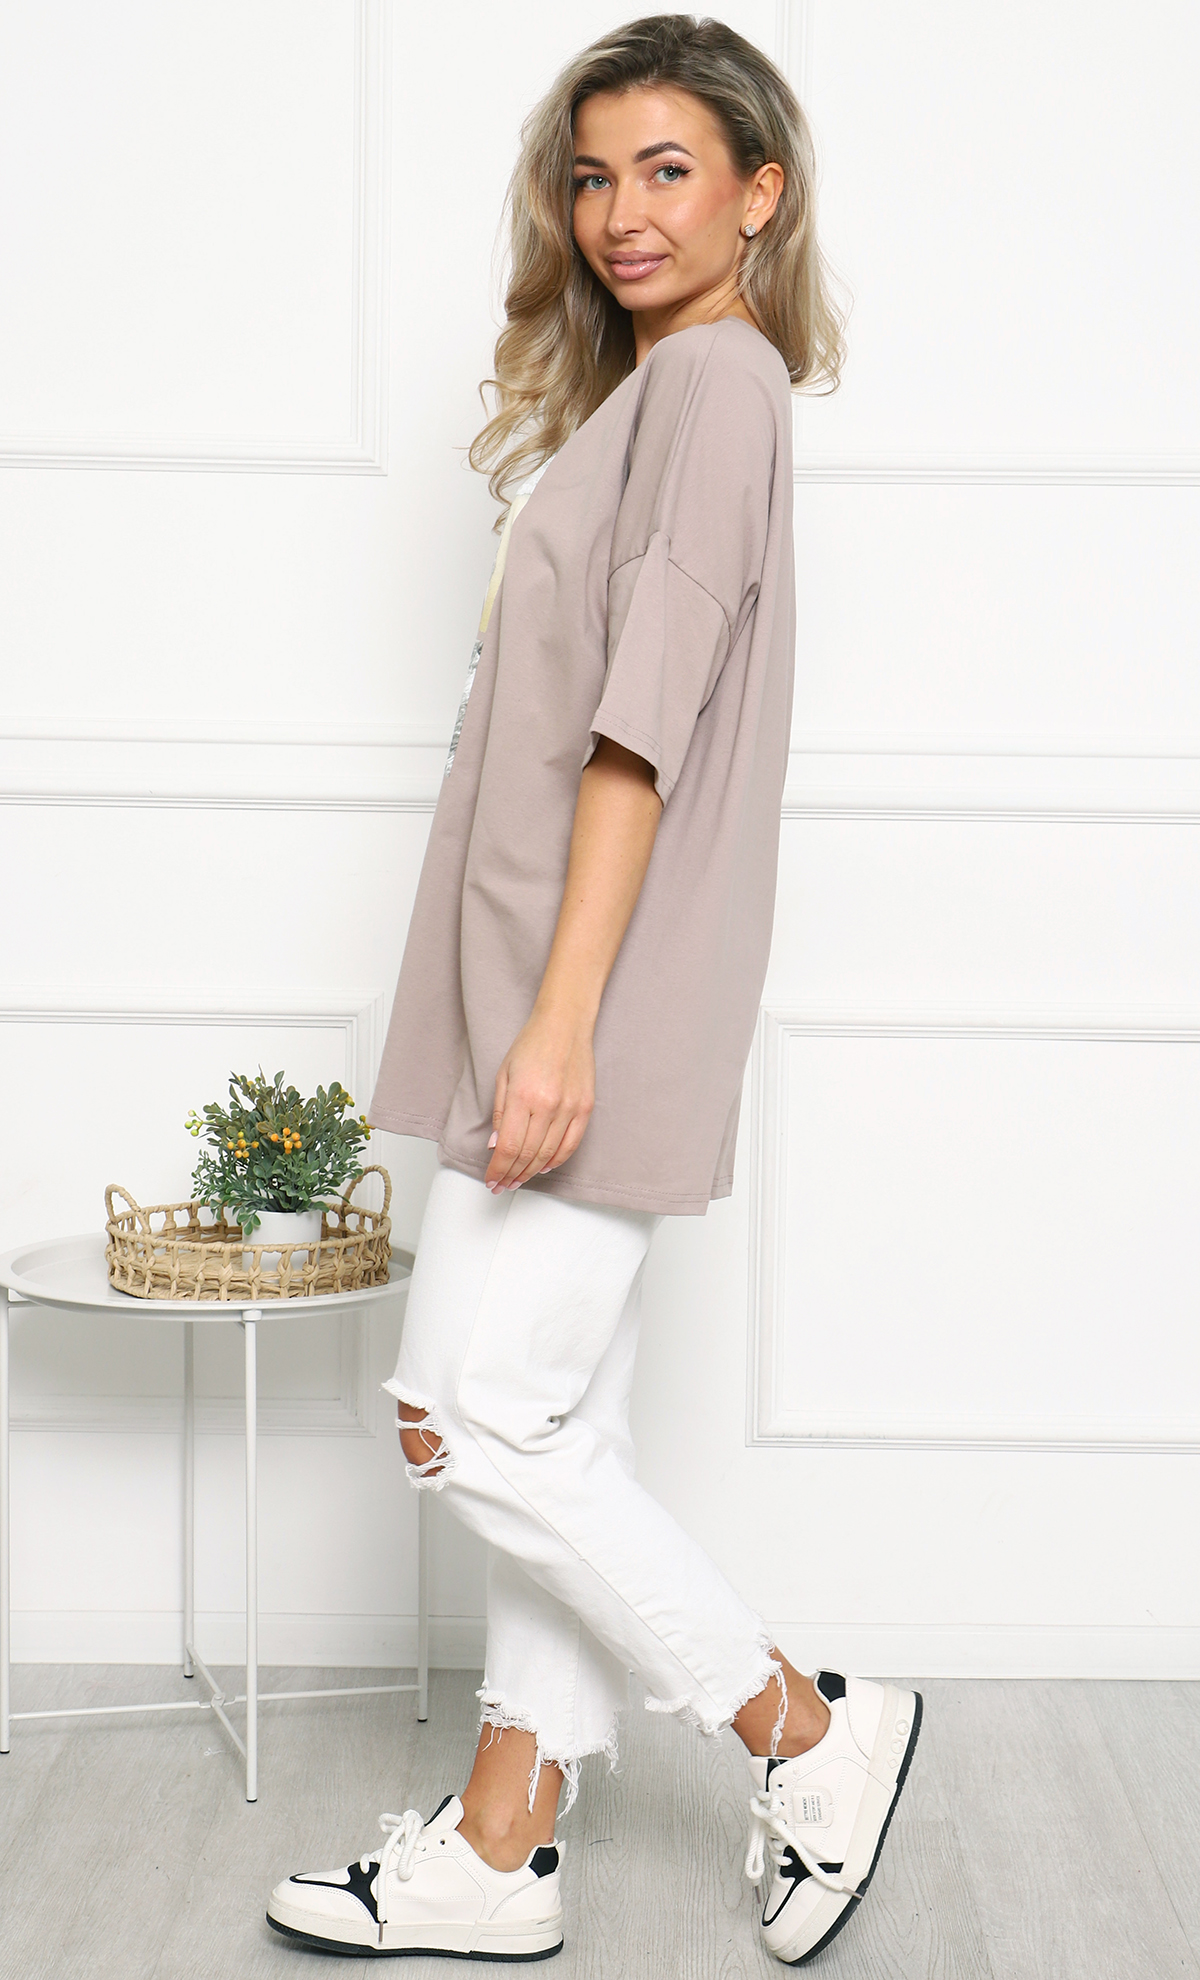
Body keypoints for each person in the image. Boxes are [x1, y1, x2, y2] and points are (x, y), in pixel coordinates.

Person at [266, 14, 920, 1968]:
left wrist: (559, 1025)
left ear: (760, 196)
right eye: (592, 175)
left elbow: (638, 730)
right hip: (543, 979)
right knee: (535, 1417)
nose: (623, 211)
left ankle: (805, 1732)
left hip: (589, 992)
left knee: (466, 1417)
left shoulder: (718, 384)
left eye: (669, 170)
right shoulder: (651, 397)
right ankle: (501, 1843)